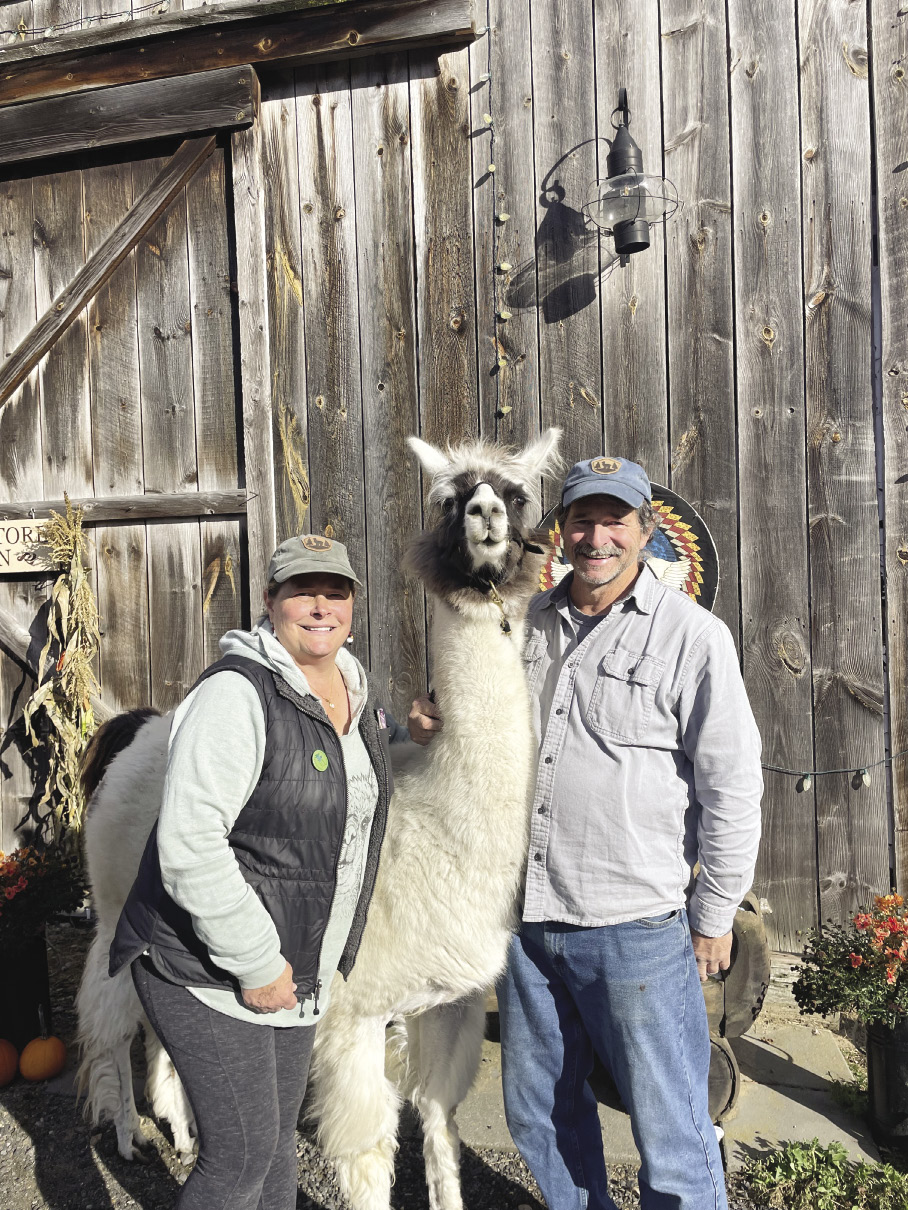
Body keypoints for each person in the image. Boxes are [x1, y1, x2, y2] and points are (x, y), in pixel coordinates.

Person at [410, 456, 762, 1210]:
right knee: (543, 1115)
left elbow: (731, 786)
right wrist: (429, 717)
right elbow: (469, 713)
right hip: (530, 921)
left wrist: (715, 914)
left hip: (632, 923)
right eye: (582, 520)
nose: (597, 536)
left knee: (670, 1126)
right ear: (561, 531)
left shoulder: (692, 638)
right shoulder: (522, 623)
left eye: (615, 521)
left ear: (644, 530)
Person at [109, 535, 399, 1210]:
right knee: (238, 1157)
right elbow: (188, 845)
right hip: (206, 966)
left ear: (354, 603)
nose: (320, 607)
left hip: (296, 965)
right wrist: (256, 961)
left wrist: (413, 733)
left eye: (336, 592)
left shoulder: (353, 692)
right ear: (269, 601)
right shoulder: (236, 697)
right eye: (302, 591)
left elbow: (342, 782)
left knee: (272, 1152)